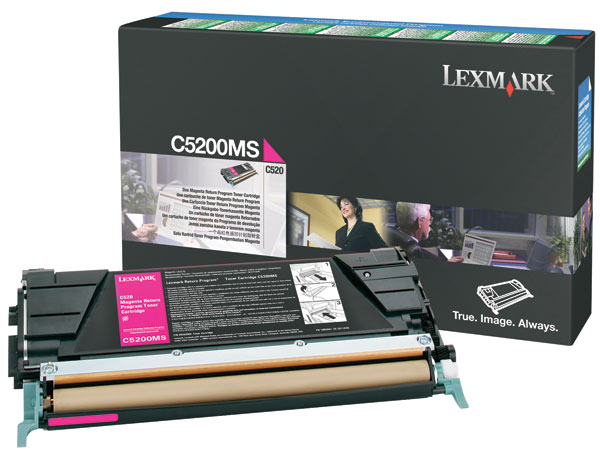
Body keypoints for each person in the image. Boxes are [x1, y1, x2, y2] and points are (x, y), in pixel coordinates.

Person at [390, 202, 463, 262]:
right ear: (419, 222)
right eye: (429, 219)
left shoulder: (391, 238)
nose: (430, 223)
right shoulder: (417, 253)